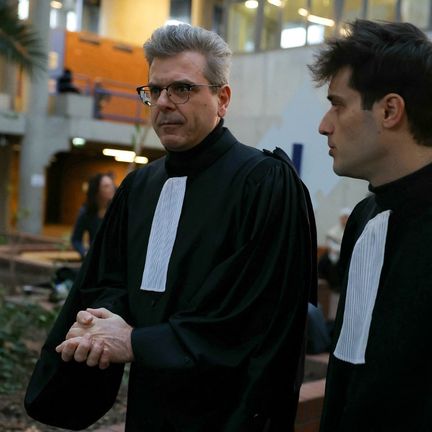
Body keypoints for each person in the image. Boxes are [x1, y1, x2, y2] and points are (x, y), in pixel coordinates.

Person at [25, 24, 317, 432]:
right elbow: (111, 278)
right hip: (149, 405)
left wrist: (137, 342)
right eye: (154, 90)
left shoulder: (263, 183)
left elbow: (252, 316)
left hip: (227, 412)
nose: (163, 103)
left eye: (182, 89)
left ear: (223, 99)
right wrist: (99, 322)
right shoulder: (140, 186)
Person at [309, 19, 432, 432]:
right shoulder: (365, 217)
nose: (324, 125)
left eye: (338, 104)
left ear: (390, 110)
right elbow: (349, 364)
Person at [71, 173, 116, 259]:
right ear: (97, 190)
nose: (111, 188)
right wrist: (84, 252)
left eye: (112, 185)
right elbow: (76, 240)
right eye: (106, 186)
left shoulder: (117, 209)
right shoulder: (86, 213)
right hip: (96, 258)